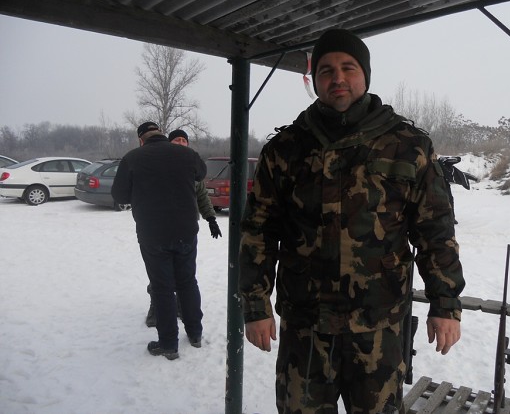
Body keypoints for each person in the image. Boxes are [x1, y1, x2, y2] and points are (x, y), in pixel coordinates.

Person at [239, 29, 465, 413]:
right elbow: (259, 231)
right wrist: (255, 306)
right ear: (315, 80)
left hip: (378, 326)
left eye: (348, 67)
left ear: (365, 75)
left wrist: (445, 303)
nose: (338, 78)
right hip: (306, 327)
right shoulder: (285, 148)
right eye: (326, 70)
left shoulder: (408, 145)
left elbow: (435, 230)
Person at [112, 121, 207, 360]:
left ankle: (168, 344)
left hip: (152, 234)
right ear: (162, 135)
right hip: (185, 231)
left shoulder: (132, 158)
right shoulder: (186, 154)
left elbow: (119, 195)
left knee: (162, 288)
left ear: (141, 140)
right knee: (188, 282)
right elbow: (202, 173)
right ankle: (195, 334)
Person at [144, 128, 222, 327]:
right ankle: (157, 308)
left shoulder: (191, 166)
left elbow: (202, 196)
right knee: (160, 275)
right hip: (159, 230)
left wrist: (211, 219)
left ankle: (181, 306)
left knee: (185, 274)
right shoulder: (158, 164)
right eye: (176, 140)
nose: (180, 143)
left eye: (183, 140)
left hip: (186, 230)